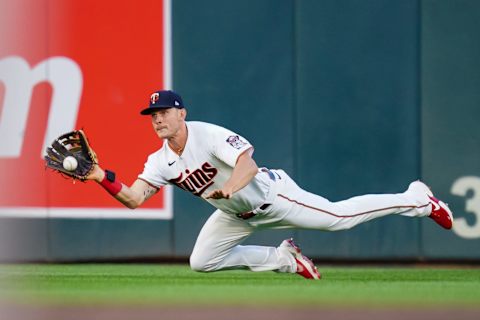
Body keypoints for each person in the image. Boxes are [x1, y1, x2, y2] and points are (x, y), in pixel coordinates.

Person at [87, 90, 454, 280]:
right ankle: (283, 259)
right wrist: (101, 177)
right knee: (201, 262)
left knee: (339, 217)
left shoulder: (208, 135)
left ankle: (417, 199)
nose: (158, 120)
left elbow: (248, 163)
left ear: (182, 113)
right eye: (153, 116)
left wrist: (229, 187)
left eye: (164, 112)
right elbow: (135, 198)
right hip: (235, 216)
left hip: (274, 197)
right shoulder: (159, 161)